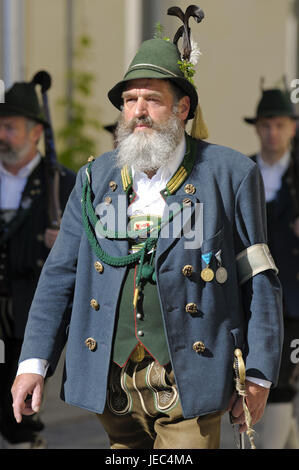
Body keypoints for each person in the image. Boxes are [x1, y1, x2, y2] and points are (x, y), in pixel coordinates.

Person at [11, 9, 283, 449]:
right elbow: (59, 275)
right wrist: (32, 363)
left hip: (193, 380)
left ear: (182, 107)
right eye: (130, 99)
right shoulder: (94, 178)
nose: (138, 111)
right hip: (113, 385)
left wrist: (259, 373)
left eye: (152, 99)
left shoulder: (230, 173)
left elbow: (260, 278)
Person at [0, 76, 76, 448]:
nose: (1, 134)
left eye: (10, 126)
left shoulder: (63, 184)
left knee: (18, 412)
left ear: (35, 133)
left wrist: (65, 241)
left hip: (30, 317)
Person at [244, 88, 299, 449]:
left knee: (280, 386)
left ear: (292, 128)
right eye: (266, 125)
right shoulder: (244, 173)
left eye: (279, 125)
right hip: (254, 298)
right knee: (271, 383)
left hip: (295, 300)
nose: (272, 133)